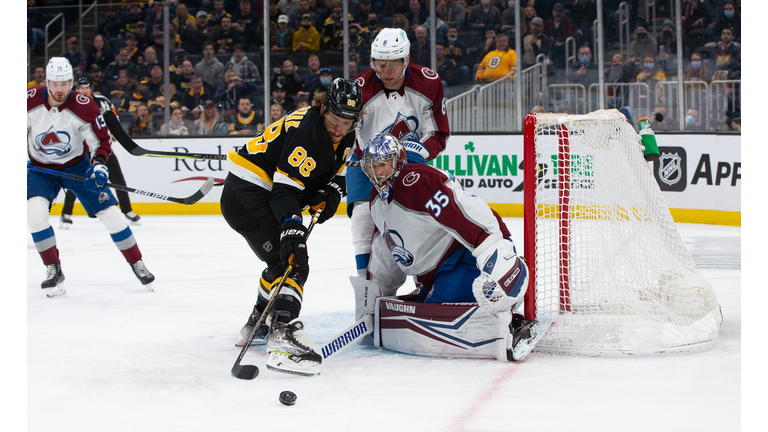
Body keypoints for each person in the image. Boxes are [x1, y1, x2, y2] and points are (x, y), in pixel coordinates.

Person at [353, 133, 542, 361]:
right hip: (436, 274)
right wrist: (376, 296)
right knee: (420, 309)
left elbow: (463, 209)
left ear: (399, 159)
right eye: (371, 167)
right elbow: (385, 252)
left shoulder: (416, 179)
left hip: (465, 258)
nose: (377, 173)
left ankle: (513, 321)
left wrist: (495, 254)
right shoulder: (376, 201)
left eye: (382, 164)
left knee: (437, 313)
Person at [220, 78, 363, 376]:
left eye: (347, 122)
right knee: (293, 261)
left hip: (264, 190)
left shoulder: (345, 131)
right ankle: (281, 334)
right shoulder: (308, 133)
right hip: (247, 194)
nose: (339, 128)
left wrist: (333, 190)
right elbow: (284, 191)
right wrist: (292, 226)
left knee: (280, 262)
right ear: (322, 107)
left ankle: (256, 324)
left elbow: (339, 168)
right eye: (334, 120)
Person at [27, 58, 154, 297]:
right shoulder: (28, 100)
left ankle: (137, 262)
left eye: (65, 83)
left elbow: (101, 142)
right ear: (47, 82)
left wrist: (98, 166)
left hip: (77, 167)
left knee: (112, 215)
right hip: (40, 169)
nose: (60, 88)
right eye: (55, 83)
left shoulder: (85, 106)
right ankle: (53, 269)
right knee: (34, 216)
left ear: (72, 82)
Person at [347, 28, 450, 280]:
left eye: (393, 65)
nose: (387, 73)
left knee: (419, 222)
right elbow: (345, 135)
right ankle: (365, 292)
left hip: (409, 165)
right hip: (365, 165)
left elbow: (438, 134)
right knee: (362, 220)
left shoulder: (429, 83)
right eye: (380, 65)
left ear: (406, 59)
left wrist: (414, 153)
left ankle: (425, 282)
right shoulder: (358, 90)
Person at [61, 76, 142, 228]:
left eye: (87, 87)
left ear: (91, 88)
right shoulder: (72, 103)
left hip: (101, 147)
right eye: (81, 88)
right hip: (82, 149)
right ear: (77, 89)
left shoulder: (102, 101)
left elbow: (113, 117)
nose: (84, 90)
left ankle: (128, 211)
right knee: (78, 180)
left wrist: (113, 132)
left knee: (118, 179)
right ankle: (66, 213)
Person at [542, 2, 574, 69]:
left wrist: (561, 42)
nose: (558, 13)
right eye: (556, 11)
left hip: (564, 45)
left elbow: (570, 35)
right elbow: (545, 36)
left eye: (560, 11)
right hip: (551, 45)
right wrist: (554, 42)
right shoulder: (548, 22)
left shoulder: (568, 21)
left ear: (564, 12)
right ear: (553, 12)